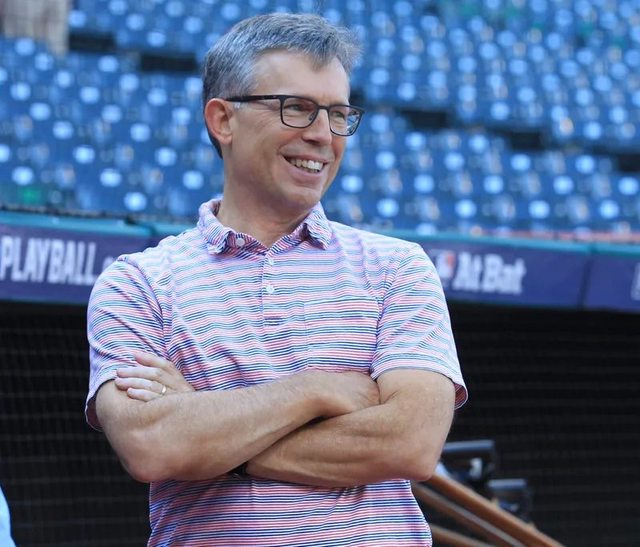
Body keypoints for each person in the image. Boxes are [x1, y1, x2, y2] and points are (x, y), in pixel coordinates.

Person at [86, 12, 467, 546]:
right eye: (297, 108)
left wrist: (211, 428)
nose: (322, 135)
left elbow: (411, 443)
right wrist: (317, 390)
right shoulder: (138, 283)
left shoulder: (397, 267)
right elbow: (152, 447)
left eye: (338, 114)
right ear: (223, 120)